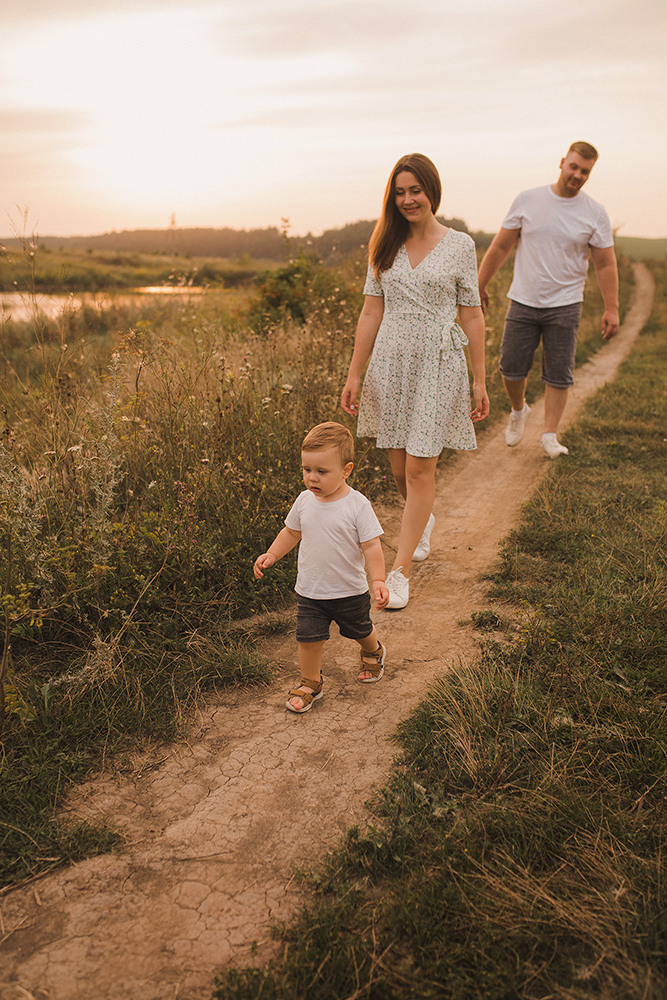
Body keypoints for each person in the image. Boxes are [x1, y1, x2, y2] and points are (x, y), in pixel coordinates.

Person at [341, 153, 489, 610]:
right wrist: (354, 373)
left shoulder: (460, 244)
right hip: (390, 362)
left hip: (439, 362)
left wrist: (479, 380)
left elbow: (472, 315)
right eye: (399, 192)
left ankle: (400, 572)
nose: (408, 199)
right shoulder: (383, 244)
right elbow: (371, 311)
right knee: (401, 468)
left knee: (422, 466)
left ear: (431, 191)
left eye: (415, 190)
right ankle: (419, 519)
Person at [477, 140, 619, 459]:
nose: (578, 175)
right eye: (574, 167)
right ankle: (518, 411)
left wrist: (612, 308)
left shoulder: (595, 213)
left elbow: (606, 263)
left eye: (585, 171)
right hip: (524, 299)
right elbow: (501, 247)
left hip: (566, 303)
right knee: (511, 368)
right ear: (562, 163)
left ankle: (549, 435)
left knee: (559, 372)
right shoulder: (528, 200)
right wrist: (480, 283)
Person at [253, 421, 389, 714]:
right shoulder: (305, 501)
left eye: (321, 472)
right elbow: (291, 532)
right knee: (308, 638)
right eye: (307, 470)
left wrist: (377, 580)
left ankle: (372, 649)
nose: (312, 478)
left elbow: (371, 546)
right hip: (311, 591)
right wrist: (272, 554)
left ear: (347, 470)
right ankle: (311, 682)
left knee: (359, 629)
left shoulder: (357, 505)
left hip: (349, 591)